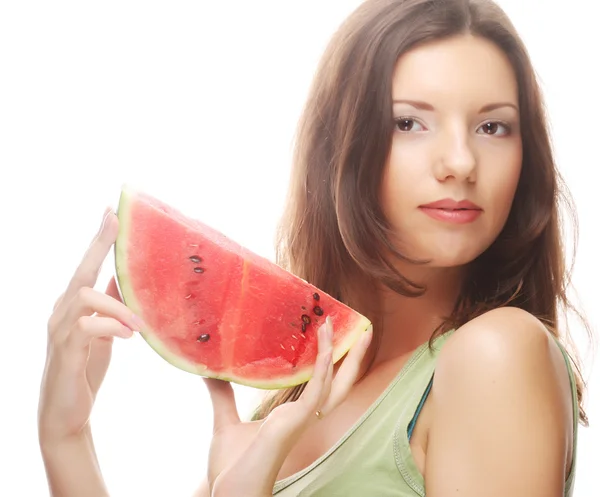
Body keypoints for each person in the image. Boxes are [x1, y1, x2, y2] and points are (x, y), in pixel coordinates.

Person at [38, 0, 592, 495]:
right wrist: (67, 438)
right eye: (408, 122)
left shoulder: (495, 354)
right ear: (341, 147)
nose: (462, 163)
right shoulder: (280, 413)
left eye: (493, 127)